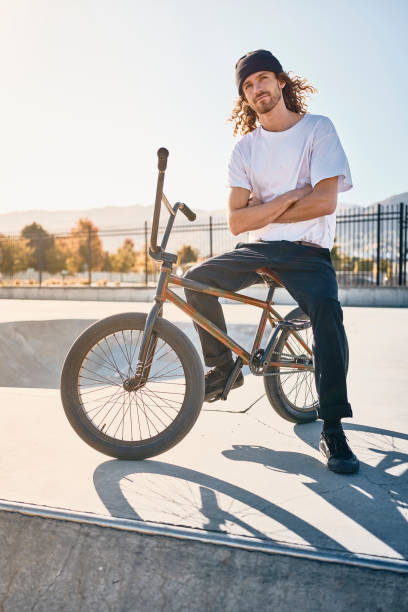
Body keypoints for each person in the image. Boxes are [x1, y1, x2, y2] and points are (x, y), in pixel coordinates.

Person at [184, 49, 358, 474]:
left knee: (327, 315)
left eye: (262, 78)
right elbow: (237, 221)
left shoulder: (318, 129)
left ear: (281, 81)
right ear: (244, 97)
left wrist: (266, 209)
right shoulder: (244, 150)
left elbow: (325, 201)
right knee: (194, 283)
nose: (256, 88)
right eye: (247, 85)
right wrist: (287, 197)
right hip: (259, 248)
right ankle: (224, 369)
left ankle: (332, 426)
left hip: (307, 251)